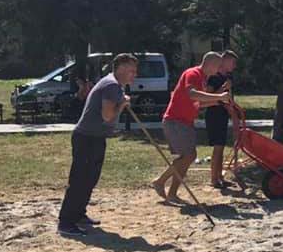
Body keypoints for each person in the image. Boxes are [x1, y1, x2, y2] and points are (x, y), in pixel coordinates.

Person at [58, 53, 137, 238]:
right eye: (132, 70)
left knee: (90, 179)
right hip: (87, 138)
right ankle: (66, 222)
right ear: (121, 68)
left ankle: (79, 214)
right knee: (80, 181)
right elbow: (107, 116)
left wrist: (121, 99)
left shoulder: (114, 85)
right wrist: (122, 105)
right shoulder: (111, 85)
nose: (135, 74)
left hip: (95, 137)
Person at [151, 51, 231, 202]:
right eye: (218, 66)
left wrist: (217, 102)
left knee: (186, 158)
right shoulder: (193, 73)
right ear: (211, 64)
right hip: (175, 121)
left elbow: (198, 103)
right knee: (189, 156)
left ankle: (172, 193)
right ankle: (160, 182)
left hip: (185, 122)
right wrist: (218, 97)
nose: (219, 69)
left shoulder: (202, 78)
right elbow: (192, 94)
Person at [206, 50, 238, 189]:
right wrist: (223, 89)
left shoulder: (228, 77)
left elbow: (228, 97)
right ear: (224, 61)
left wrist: (232, 109)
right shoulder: (213, 77)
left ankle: (220, 177)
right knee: (217, 148)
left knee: (222, 147)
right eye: (232, 62)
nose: (234, 66)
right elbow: (207, 96)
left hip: (223, 114)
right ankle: (214, 179)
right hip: (214, 114)